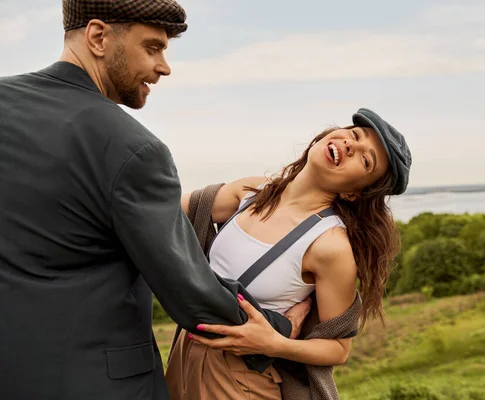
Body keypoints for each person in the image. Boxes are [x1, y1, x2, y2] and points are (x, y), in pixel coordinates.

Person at [0, 1, 307, 399]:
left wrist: (196, 202)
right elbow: (192, 295)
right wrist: (278, 329)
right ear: (98, 37)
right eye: (152, 48)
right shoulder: (134, 149)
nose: (164, 67)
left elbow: (66, 213)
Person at [165, 108, 412, 399]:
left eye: (365, 159)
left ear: (354, 193)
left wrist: (272, 343)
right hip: (183, 356)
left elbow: (338, 349)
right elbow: (160, 209)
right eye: (356, 134)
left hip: (239, 381)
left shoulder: (329, 245)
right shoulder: (251, 192)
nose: (351, 144)